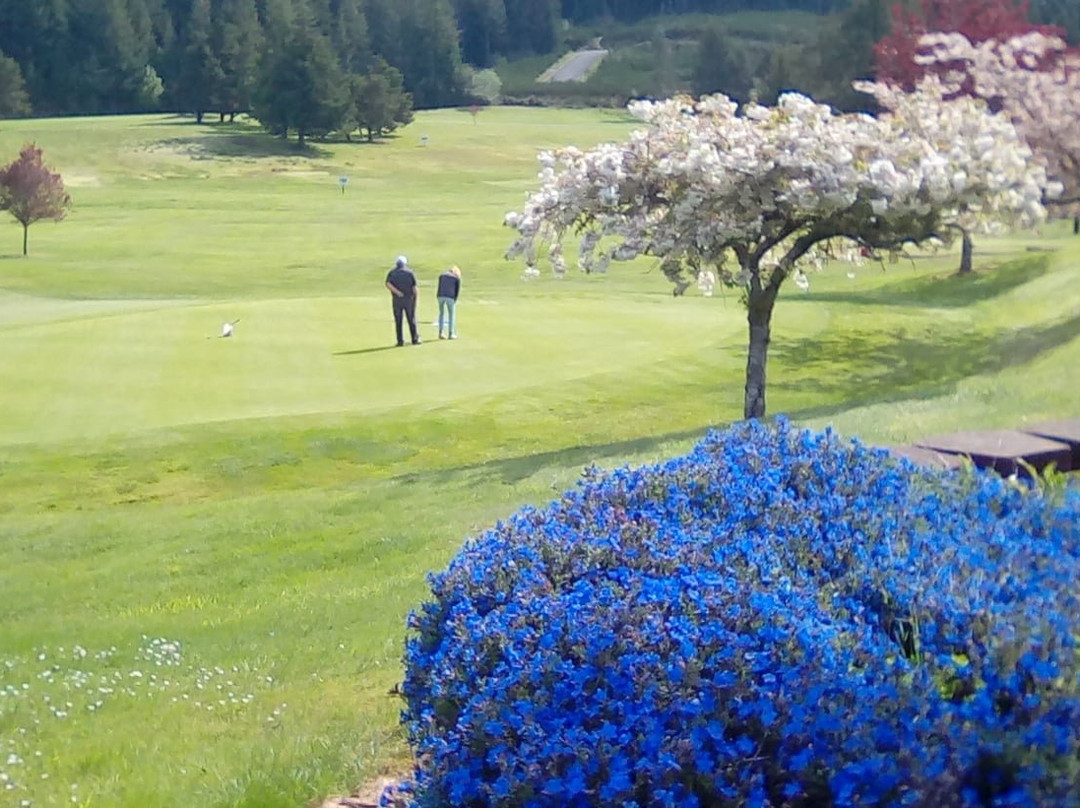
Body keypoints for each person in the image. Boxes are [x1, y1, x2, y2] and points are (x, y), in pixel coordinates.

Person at [385, 255, 421, 346]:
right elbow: (414, 287)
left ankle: (400, 341)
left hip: (397, 300)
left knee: (398, 320)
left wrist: (397, 292)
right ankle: (415, 339)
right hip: (409, 299)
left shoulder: (392, 273)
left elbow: (388, 284)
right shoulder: (410, 273)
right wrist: (416, 299)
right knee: (411, 319)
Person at [437, 265, 461, 340]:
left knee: (441, 314)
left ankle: (441, 332)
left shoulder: (442, 276)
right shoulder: (456, 278)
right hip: (450, 296)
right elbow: (457, 291)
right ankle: (451, 333)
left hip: (440, 295)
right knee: (451, 315)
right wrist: (455, 300)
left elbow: (440, 286)